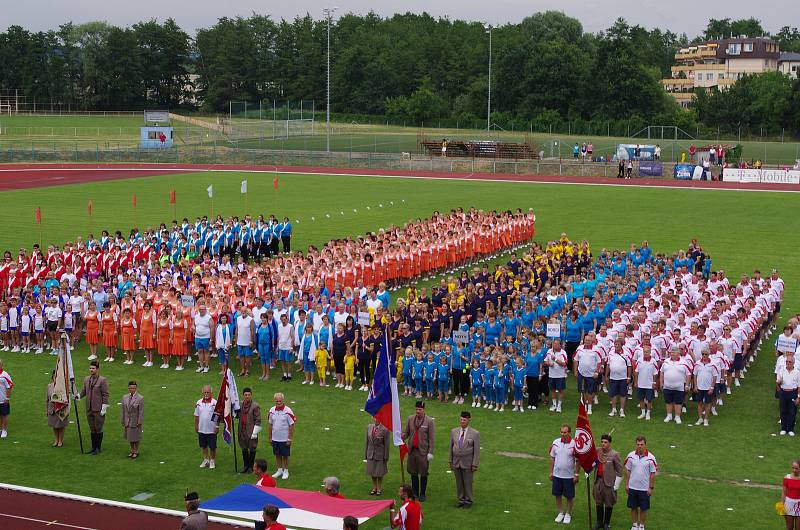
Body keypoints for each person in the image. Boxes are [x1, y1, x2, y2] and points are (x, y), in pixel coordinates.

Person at [402, 401, 435, 501]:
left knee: (423, 472)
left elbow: (431, 438)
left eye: (420, 409)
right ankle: (415, 492)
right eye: (416, 409)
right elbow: (407, 432)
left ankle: (422, 493)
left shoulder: (429, 421)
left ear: (424, 410)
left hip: (423, 451)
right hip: (412, 450)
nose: (418, 411)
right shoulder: (411, 419)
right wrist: (401, 436)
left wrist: (430, 452)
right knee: (413, 472)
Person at [624, 436, 657, 530]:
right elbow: (628, 470)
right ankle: (634, 525)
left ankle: (641, 526)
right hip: (632, 487)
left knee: (643, 508)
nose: (639, 446)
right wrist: (627, 484)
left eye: (641, 444)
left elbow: (653, 474)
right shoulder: (630, 455)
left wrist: (651, 487)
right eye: (638, 444)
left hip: (644, 488)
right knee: (633, 507)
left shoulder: (651, 458)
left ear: (645, 445)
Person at [448, 411, 480, 508]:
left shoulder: (475, 433)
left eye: (464, 420)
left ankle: (468, 500)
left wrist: (474, 464)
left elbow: (477, 450)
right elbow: (451, 447)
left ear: (469, 420)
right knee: (459, 482)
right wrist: (450, 460)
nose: (462, 421)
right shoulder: (454, 431)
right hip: (456, 462)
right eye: (461, 419)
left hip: (468, 462)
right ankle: (461, 499)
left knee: (467, 482)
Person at [592, 433, 623, 530]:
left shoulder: (615, 454)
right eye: (602, 442)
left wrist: (616, 485)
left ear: (610, 443)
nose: (603, 444)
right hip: (598, 481)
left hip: (609, 483)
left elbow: (620, 470)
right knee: (598, 502)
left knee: (609, 503)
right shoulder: (598, 451)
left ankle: (606, 523)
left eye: (605, 442)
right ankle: (599, 522)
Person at [550, 423, 579, 524]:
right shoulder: (555, 442)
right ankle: (561, 512)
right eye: (561, 432)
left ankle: (568, 514)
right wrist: (551, 472)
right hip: (557, 474)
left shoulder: (574, 444)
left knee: (569, 496)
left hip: (569, 476)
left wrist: (576, 474)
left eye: (565, 432)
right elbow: (552, 457)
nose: (563, 434)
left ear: (570, 433)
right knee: (557, 495)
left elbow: (577, 460)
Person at [78, 360, 109, 454]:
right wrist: (78, 396)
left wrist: (104, 407)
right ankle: (93, 447)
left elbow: (105, 394)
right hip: (89, 408)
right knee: (92, 428)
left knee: (98, 428)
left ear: (97, 369)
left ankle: (98, 448)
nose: (91, 370)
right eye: (90, 368)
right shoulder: (87, 379)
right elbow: (84, 391)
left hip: (98, 408)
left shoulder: (102, 380)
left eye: (93, 368)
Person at [268, 392, 295, 480]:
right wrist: (270, 437)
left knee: (285, 455)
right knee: (277, 454)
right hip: (275, 438)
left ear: (283, 400)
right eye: (277, 401)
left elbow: (291, 425)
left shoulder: (288, 411)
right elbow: (270, 425)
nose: (278, 402)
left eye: (280, 401)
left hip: (284, 438)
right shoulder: (272, 410)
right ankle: (279, 470)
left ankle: (286, 471)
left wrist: (289, 439)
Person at [238, 387, 262, 474]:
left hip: (251, 431)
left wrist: (255, 432)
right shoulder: (240, 404)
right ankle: (245, 466)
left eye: (249, 395)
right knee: (244, 448)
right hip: (242, 430)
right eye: (245, 395)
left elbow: (258, 420)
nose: (247, 396)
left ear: (251, 395)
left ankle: (251, 467)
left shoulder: (255, 406)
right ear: (243, 395)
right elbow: (236, 415)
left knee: (252, 448)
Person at [194, 384, 219, 469]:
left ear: (211, 392)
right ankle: (205, 460)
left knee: (212, 447)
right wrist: (196, 426)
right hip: (202, 429)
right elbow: (196, 415)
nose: (206, 394)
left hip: (211, 429)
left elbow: (217, 416)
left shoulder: (215, 403)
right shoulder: (198, 403)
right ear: (202, 392)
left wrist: (217, 427)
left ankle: (212, 460)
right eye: (205, 392)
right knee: (203, 446)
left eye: (208, 392)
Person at [365, 417, 390, 495]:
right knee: (372, 471)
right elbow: (367, 441)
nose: (376, 419)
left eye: (378, 417)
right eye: (375, 417)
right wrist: (366, 454)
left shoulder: (385, 429)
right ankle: (374, 487)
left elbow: (387, 444)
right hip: (370, 454)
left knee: (379, 472)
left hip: (380, 455)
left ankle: (379, 488)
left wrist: (386, 456)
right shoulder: (369, 427)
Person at [777, 356, 800, 436]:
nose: (788, 363)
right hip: (783, 392)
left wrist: (798, 396)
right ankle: (783, 428)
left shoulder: (797, 372)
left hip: (793, 392)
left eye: (789, 362)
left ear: (793, 363)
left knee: (792, 412)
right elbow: (778, 382)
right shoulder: (782, 370)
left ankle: (790, 429)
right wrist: (779, 383)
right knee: (783, 410)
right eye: (787, 361)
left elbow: (799, 386)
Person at [121, 380, 144, 459]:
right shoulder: (125, 397)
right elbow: (123, 410)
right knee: (130, 436)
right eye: (130, 388)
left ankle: (136, 451)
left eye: (133, 388)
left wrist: (140, 421)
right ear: (128, 388)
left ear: (136, 388)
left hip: (135, 420)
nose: (132, 389)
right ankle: (132, 450)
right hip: (128, 420)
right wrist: (123, 420)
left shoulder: (140, 398)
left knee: (136, 437)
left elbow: (141, 411)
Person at [46, 369, 68, 447]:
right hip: (52, 409)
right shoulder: (49, 386)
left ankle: (60, 440)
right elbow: (47, 399)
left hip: (60, 409)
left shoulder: (63, 387)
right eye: (54, 376)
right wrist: (47, 410)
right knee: (54, 425)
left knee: (60, 425)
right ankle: (56, 439)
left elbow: (66, 399)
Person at [782, 460, 800, 528]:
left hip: (799, 504)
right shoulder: (787, 478)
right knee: (789, 527)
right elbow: (784, 492)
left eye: (796, 468)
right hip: (788, 504)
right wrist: (782, 504)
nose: (794, 470)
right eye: (793, 468)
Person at [0, 359, 12, 438]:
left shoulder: (5, 375)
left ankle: (4, 430)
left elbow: (9, 386)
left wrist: (7, 398)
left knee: (4, 415)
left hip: (3, 399)